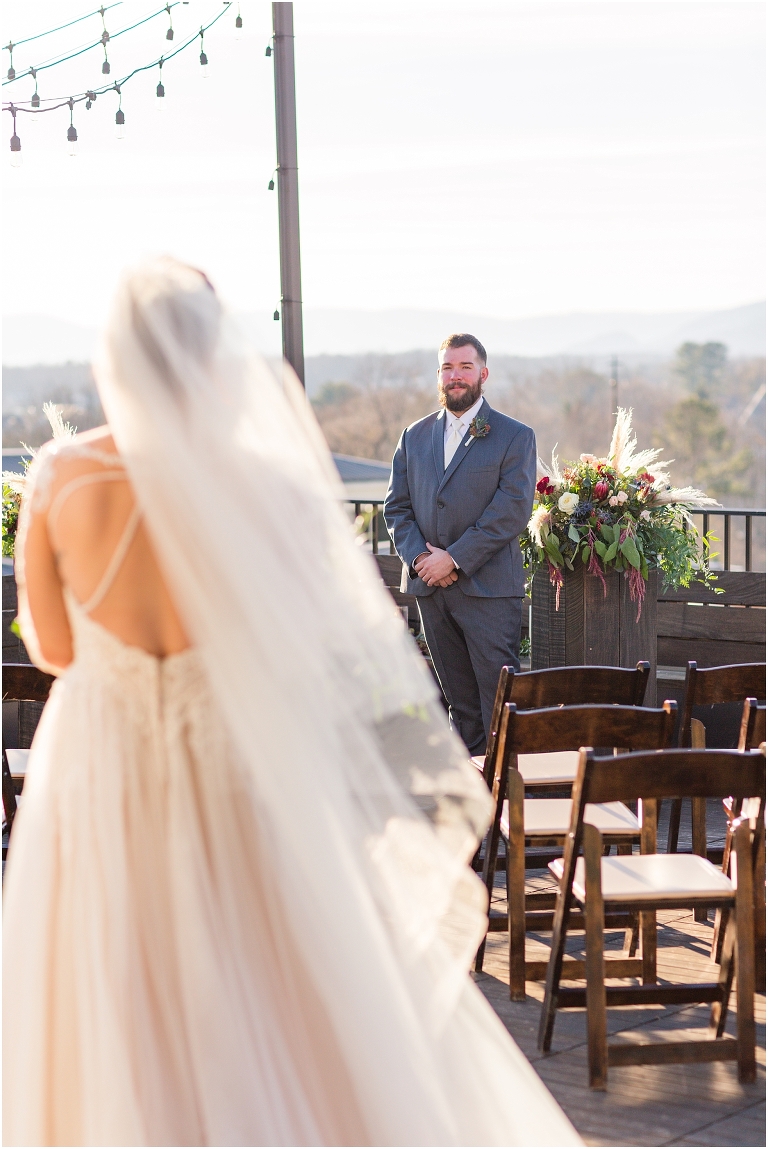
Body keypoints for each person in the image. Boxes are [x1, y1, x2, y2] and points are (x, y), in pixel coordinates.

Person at [3, 259, 579, 1147]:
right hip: (232, 764)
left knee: (105, 987)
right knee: (259, 986)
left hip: (103, 764)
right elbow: (313, 648)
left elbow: (51, 646)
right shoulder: (263, 483)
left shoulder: (60, 475)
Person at [384, 334, 536, 755]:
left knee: (497, 703)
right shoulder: (413, 436)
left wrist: (454, 558)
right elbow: (396, 508)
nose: (456, 376)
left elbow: (511, 510)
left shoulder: (514, 436)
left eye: (465, 367)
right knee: (459, 705)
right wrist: (420, 560)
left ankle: (507, 807)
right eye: (448, 368)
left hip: (487, 591)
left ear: (483, 374)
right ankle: (474, 804)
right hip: (431, 591)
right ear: (439, 376)